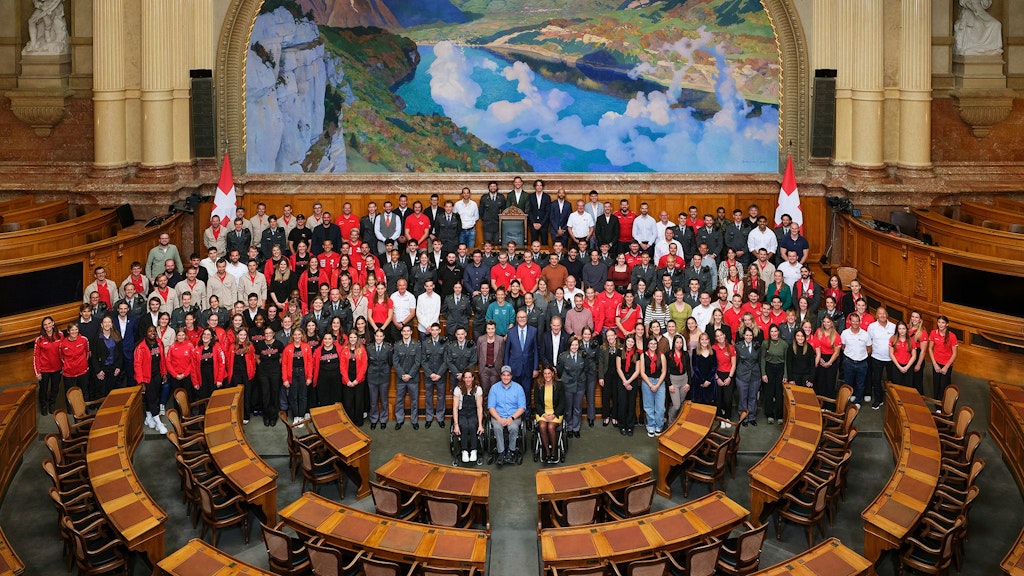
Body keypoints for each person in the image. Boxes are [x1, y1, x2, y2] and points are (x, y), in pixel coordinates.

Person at [488, 365, 527, 466]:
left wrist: (512, 418)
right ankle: (501, 452)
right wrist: (499, 419)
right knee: (497, 427)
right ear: (500, 376)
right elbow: (491, 407)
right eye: (504, 375)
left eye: (508, 375)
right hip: (498, 416)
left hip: (514, 416)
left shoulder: (518, 388)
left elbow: (522, 407)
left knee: (513, 427)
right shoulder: (494, 388)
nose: (506, 377)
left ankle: (511, 450)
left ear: (511, 376)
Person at [504, 311, 539, 419]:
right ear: (516, 319)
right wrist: (506, 370)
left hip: (528, 369)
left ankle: (527, 416)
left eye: (523, 317)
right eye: (519, 317)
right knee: (513, 394)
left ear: (527, 318)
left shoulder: (533, 331)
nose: (522, 319)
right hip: (513, 369)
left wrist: (535, 368)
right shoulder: (511, 332)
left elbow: (536, 350)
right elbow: (507, 352)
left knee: (526, 393)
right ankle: (515, 417)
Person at [134, 325, 168, 433]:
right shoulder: (141, 347)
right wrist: (141, 382)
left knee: (154, 397)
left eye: (154, 331)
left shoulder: (159, 343)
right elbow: (137, 365)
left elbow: (162, 360)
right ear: (145, 333)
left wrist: (164, 373)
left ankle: (149, 418)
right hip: (146, 378)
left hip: (157, 375)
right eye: (150, 331)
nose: (152, 333)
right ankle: (158, 422)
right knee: (153, 399)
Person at [534, 365, 566, 464]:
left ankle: (554, 452)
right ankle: (547, 452)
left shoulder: (559, 385)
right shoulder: (538, 385)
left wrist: (554, 415)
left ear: (553, 374)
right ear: (542, 375)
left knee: (551, 427)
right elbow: (537, 402)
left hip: (555, 413)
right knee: (542, 426)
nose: (547, 375)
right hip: (542, 413)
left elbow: (562, 403)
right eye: (545, 373)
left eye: (549, 373)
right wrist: (543, 414)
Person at [393, 325, 422, 430]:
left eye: (408, 331)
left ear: (411, 332)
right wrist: (402, 375)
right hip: (401, 378)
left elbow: (418, 362)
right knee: (399, 400)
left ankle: (414, 420)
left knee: (414, 400)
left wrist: (410, 375)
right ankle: (399, 420)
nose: (406, 333)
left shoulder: (417, 345)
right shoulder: (397, 345)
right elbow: (395, 362)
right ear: (401, 333)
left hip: (413, 378)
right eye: (404, 331)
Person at [866, 306, 896, 409]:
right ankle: (878, 399)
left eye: (884, 314)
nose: (882, 316)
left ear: (887, 315)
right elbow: (869, 342)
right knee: (876, 380)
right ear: (876, 315)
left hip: (891, 359)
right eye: (880, 314)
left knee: (891, 380)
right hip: (876, 357)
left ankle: (893, 399)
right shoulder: (871, 327)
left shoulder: (894, 327)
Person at [557, 337, 586, 439]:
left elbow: (585, 368)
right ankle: (569, 428)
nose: (574, 347)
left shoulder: (582, 355)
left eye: (576, 345)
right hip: (568, 385)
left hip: (580, 385)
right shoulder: (563, 356)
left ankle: (576, 428)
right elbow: (560, 371)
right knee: (568, 409)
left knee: (577, 408)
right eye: (572, 345)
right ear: (569, 346)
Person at [255, 326, 284, 426]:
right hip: (263, 373)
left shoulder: (278, 344)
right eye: (266, 333)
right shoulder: (260, 345)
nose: (268, 335)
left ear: (273, 334)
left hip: (275, 372)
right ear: (264, 335)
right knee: (265, 394)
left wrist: (274, 367)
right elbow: (257, 358)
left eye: (270, 333)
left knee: (274, 393)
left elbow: (281, 357)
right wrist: (264, 367)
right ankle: (266, 416)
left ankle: (274, 416)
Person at [840, 313, 871, 407]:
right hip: (848, 362)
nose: (855, 323)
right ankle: (847, 400)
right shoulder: (845, 333)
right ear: (850, 322)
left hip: (862, 363)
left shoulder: (865, 334)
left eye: (857, 321)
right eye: (853, 321)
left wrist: (861, 355)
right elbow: (843, 346)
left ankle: (858, 401)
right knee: (848, 382)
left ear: (859, 322)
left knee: (860, 384)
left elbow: (869, 348)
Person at [420, 323, 448, 429]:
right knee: (429, 397)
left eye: (437, 330)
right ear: (430, 331)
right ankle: (429, 418)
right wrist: (430, 373)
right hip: (429, 375)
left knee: (441, 397)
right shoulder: (425, 343)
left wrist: (439, 374)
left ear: (440, 331)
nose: (435, 332)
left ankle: (440, 418)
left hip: (441, 375)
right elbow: (423, 360)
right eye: (433, 330)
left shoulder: (444, 343)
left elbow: (446, 360)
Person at [453, 371, 485, 464]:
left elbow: (479, 407)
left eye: (469, 377)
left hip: (473, 412)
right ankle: (464, 451)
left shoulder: (478, 389)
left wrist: (480, 425)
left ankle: (474, 450)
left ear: (473, 378)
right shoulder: (458, 389)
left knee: (472, 426)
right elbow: (455, 408)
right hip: (462, 412)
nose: (468, 379)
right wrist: (456, 425)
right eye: (466, 377)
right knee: (464, 426)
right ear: (463, 378)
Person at [639, 335, 667, 437]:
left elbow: (664, 372)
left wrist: (657, 384)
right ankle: (650, 425)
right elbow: (642, 372)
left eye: (655, 344)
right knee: (648, 406)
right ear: (648, 345)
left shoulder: (662, 356)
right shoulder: (643, 356)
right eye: (651, 343)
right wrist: (651, 384)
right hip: (647, 382)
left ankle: (659, 425)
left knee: (660, 407)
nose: (653, 345)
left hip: (660, 382)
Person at [338, 330, 367, 426]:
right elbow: (342, 367)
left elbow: (364, 366)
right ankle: (350, 421)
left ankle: (358, 422)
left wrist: (357, 380)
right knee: (348, 402)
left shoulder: (362, 349)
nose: (353, 339)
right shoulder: (344, 349)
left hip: (359, 380)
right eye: (351, 337)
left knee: (358, 401)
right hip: (347, 380)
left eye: (354, 337)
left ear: (357, 338)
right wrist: (347, 381)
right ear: (348, 339)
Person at [90, 315, 122, 401]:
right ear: (101, 324)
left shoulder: (117, 336)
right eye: (105, 322)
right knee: (102, 392)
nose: (107, 324)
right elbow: (94, 357)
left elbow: (120, 354)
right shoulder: (96, 338)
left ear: (112, 324)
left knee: (112, 391)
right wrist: (98, 371)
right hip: (102, 369)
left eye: (109, 322)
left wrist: (118, 367)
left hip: (113, 368)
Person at [614, 334, 641, 436]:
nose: (630, 343)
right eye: (629, 341)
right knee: (622, 403)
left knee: (631, 403)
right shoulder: (620, 351)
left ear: (634, 343)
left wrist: (629, 381)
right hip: (622, 379)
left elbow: (637, 370)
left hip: (632, 380)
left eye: (632, 342)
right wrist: (625, 381)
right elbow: (618, 368)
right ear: (626, 342)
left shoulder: (637, 353)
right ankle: (622, 425)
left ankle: (630, 426)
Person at [760, 325, 787, 423]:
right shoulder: (765, 343)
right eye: (772, 331)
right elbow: (762, 358)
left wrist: (785, 375)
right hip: (769, 368)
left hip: (780, 368)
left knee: (779, 393)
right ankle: (769, 414)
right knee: (769, 392)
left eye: (776, 331)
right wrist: (763, 373)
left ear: (778, 332)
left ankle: (779, 415)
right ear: (769, 333)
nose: (774, 333)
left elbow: (786, 361)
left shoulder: (784, 344)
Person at [59, 322, 90, 405]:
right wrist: (67, 365)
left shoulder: (84, 339)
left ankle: (85, 408)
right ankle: (71, 409)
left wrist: (83, 363)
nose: (74, 332)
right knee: (69, 392)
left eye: (76, 330)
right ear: (68, 331)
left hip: (82, 371)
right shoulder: (63, 343)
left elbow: (87, 352)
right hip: (69, 373)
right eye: (72, 330)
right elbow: (61, 357)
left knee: (84, 390)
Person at [734, 327, 760, 426]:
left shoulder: (757, 345)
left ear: (753, 336)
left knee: (753, 397)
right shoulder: (738, 346)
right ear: (743, 336)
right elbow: (736, 361)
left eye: (750, 335)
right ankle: (743, 418)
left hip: (755, 375)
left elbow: (759, 359)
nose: (748, 337)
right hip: (742, 375)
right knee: (743, 397)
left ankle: (752, 417)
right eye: (747, 335)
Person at [193, 328, 226, 406]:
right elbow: (193, 367)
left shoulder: (217, 347)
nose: (206, 336)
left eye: (208, 334)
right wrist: (195, 382)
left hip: (214, 379)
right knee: (202, 399)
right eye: (204, 334)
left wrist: (219, 379)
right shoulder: (197, 348)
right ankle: (202, 416)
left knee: (213, 400)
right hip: (202, 379)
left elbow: (222, 363)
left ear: (211, 337)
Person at [929, 316, 958, 402]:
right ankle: (937, 404)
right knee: (936, 384)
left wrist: (946, 367)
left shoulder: (952, 336)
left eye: (943, 323)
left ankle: (945, 405)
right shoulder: (934, 333)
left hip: (947, 364)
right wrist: (934, 364)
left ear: (947, 324)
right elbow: (930, 349)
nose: (940, 324)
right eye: (939, 322)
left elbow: (955, 353)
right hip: (936, 363)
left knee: (944, 385)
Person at [813, 316, 842, 398]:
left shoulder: (836, 335)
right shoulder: (818, 331)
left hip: (831, 359)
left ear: (832, 323)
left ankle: (829, 405)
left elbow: (837, 352)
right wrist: (819, 358)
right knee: (820, 381)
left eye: (828, 322)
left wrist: (829, 363)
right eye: (824, 321)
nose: (826, 324)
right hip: (820, 357)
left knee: (829, 382)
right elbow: (815, 345)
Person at [712, 328, 736, 423]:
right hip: (717, 374)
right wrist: (717, 378)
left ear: (724, 335)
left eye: (721, 335)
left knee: (728, 399)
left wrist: (730, 377)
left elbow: (733, 364)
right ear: (716, 338)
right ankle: (720, 418)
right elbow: (712, 365)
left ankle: (727, 417)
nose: (720, 337)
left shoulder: (730, 347)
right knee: (718, 399)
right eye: (717, 336)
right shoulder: (713, 348)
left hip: (728, 374)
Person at [166, 328, 195, 405]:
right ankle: (178, 413)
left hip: (186, 376)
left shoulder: (190, 346)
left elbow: (192, 362)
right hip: (175, 376)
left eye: (183, 335)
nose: (181, 337)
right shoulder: (172, 347)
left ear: (185, 336)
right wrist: (175, 375)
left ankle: (189, 412)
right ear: (176, 336)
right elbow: (168, 362)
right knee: (177, 394)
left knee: (188, 393)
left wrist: (184, 374)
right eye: (179, 335)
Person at [890, 321, 918, 390]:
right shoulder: (893, 338)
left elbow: (914, 355)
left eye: (903, 328)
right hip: (897, 366)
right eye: (900, 329)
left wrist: (907, 367)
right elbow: (891, 354)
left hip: (908, 366)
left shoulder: (911, 340)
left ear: (906, 329)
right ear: (897, 330)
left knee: (907, 387)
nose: (902, 331)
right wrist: (899, 367)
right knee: (896, 386)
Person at [907, 311, 930, 394]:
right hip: (908, 356)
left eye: (916, 317)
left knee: (917, 382)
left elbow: (923, 351)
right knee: (908, 380)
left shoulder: (922, 332)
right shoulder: (907, 327)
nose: (914, 319)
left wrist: (918, 364)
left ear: (920, 320)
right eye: (913, 316)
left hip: (917, 357)